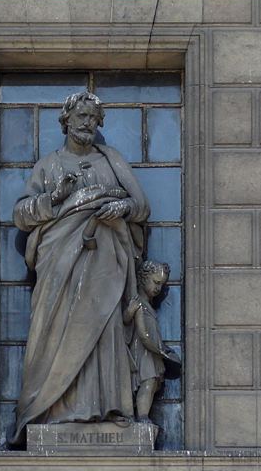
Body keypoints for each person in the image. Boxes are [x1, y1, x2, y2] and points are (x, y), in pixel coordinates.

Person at [10, 91, 150, 446]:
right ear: (66, 121)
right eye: (81, 117)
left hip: (105, 264)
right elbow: (21, 215)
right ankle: (52, 408)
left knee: (103, 328)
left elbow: (141, 207)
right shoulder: (49, 165)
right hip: (59, 266)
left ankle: (106, 406)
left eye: (93, 117)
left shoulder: (111, 161)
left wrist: (121, 208)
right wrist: (55, 199)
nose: (87, 123)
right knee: (55, 331)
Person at [123, 260, 181, 423]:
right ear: (143, 279)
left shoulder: (147, 305)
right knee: (148, 381)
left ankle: (142, 416)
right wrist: (160, 351)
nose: (158, 288)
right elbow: (142, 334)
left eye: (161, 285)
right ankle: (142, 417)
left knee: (152, 382)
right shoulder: (139, 304)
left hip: (152, 352)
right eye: (156, 282)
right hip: (145, 352)